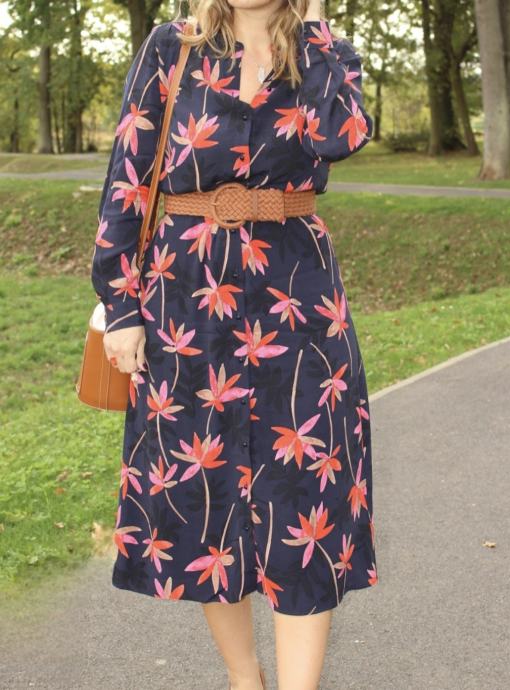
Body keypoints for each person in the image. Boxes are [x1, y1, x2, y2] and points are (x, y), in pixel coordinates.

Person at [90, 1, 378, 688]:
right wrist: (122, 304)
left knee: (307, 497)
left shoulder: (328, 51)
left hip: (299, 300)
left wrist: (314, 32)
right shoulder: (173, 47)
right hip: (186, 301)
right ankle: (245, 680)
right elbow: (128, 179)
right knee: (206, 499)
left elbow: (340, 136)